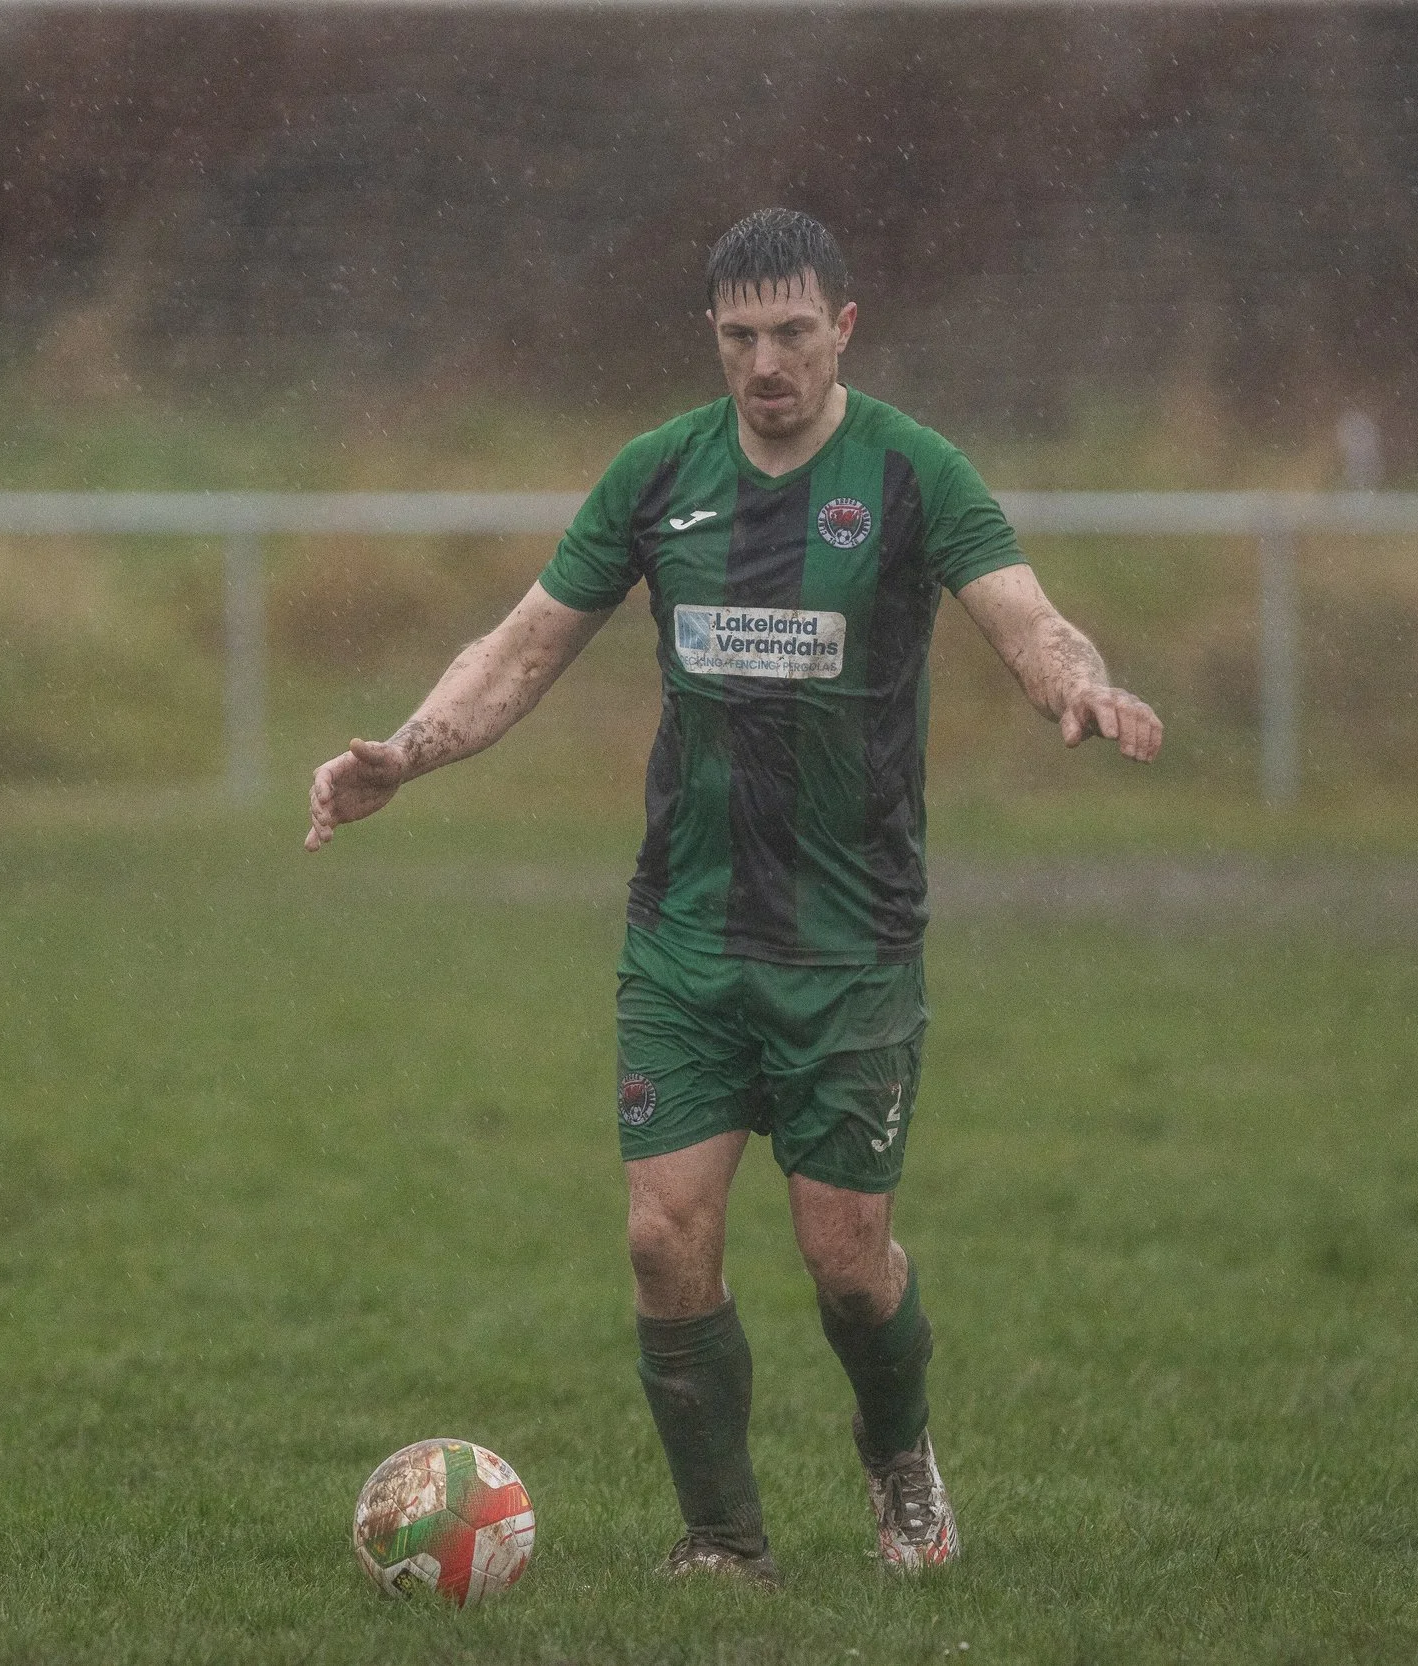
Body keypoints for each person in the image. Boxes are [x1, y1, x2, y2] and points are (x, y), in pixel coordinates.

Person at [305, 208, 1162, 1584]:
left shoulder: (912, 472)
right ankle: (722, 1541)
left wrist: (1080, 684)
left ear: (845, 328)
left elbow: (1025, 614)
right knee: (663, 1239)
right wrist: (405, 753)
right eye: (741, 336)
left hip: (850, 945)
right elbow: (523, 645)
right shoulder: (658, 474)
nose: (768, 363)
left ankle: (898, 1454)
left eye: (794, 333)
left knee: (847, 1264)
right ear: (712, 336)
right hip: (686, 936)